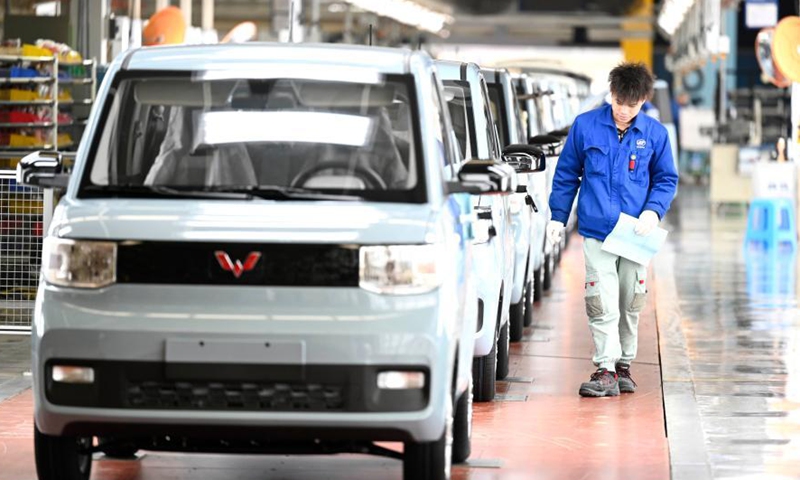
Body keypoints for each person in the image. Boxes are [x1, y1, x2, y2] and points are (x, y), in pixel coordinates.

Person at [547, 62, 678, 397]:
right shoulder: (585, 126)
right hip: (597, 230)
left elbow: (666, 179)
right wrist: (558, 217)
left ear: (643, 101)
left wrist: (653, 211)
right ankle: (605, 369)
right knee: (601, 300)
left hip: (636, 234)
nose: (623, 110)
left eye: (631, 105)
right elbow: (567, 174)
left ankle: (623, 367)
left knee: (630, 300)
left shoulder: (655, 135)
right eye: (619, 101)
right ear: (611, 93)